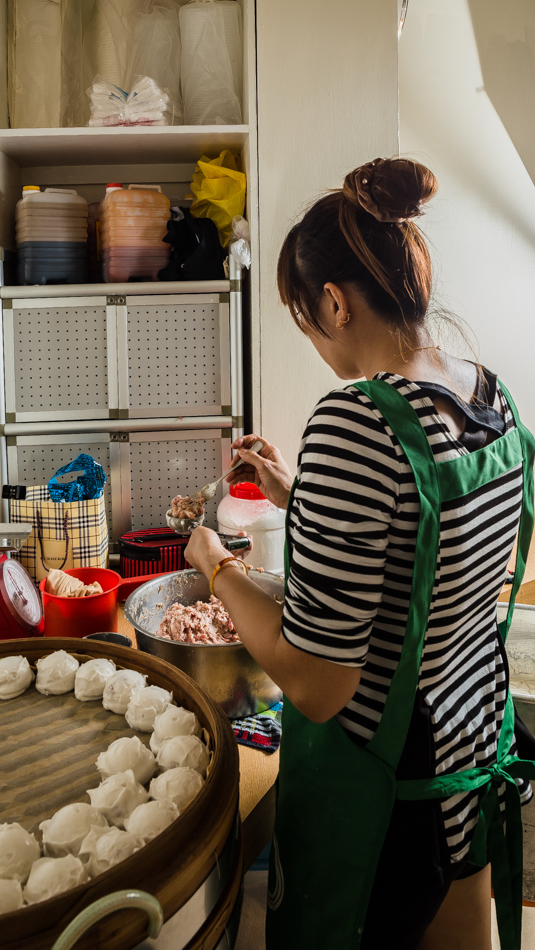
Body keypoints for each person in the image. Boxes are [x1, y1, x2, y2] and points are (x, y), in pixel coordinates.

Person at [183, 157, 535, 950]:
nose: (313, 341)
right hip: (468, 761)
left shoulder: (355, 421)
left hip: (387, 801)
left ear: (334, 304)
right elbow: (429, 544)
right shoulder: (487, 393)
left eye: (305, 321)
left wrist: (215, 564)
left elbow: (314, 685)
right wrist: (295, 494)